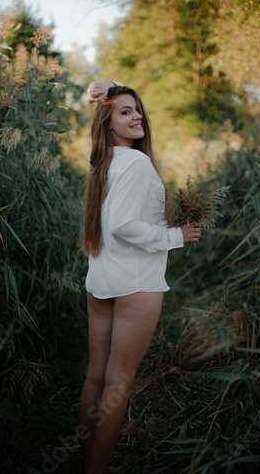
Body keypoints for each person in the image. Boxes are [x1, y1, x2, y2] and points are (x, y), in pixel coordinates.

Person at [79, 80, 201, 474]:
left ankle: (89, 462)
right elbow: (122, 225)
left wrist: (109, 89)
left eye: (137, 109)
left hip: (101, 282)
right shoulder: (136, 163)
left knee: (96, 377)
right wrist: (175, 236)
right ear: (109, 123)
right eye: (125, 112)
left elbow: (115, 220)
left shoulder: (104, 162)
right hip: (136, 285)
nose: (137, 116)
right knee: (117, 384)